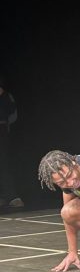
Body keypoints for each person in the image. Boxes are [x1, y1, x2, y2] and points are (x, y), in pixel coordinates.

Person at [0, 75, 23, 210]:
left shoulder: (6, 97)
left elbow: (13, 114)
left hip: (1, 130)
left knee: (4, 163)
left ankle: (13, 197)